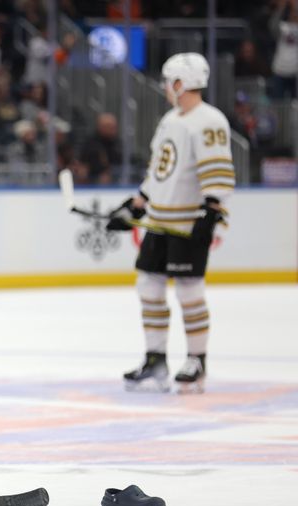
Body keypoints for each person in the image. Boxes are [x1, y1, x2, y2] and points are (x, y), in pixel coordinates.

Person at [106, 52, 235, 394]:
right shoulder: (170, 120)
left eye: (168, 81)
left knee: (189, 290)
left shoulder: (209, 120)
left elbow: (218, 171)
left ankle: (197, 360)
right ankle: (156, 359)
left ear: (181, 83)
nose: (165, 87)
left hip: (188, 221)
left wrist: (211, 212)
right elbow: (159, 171)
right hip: (161, 220)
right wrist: (135, 205)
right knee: (148, 286)